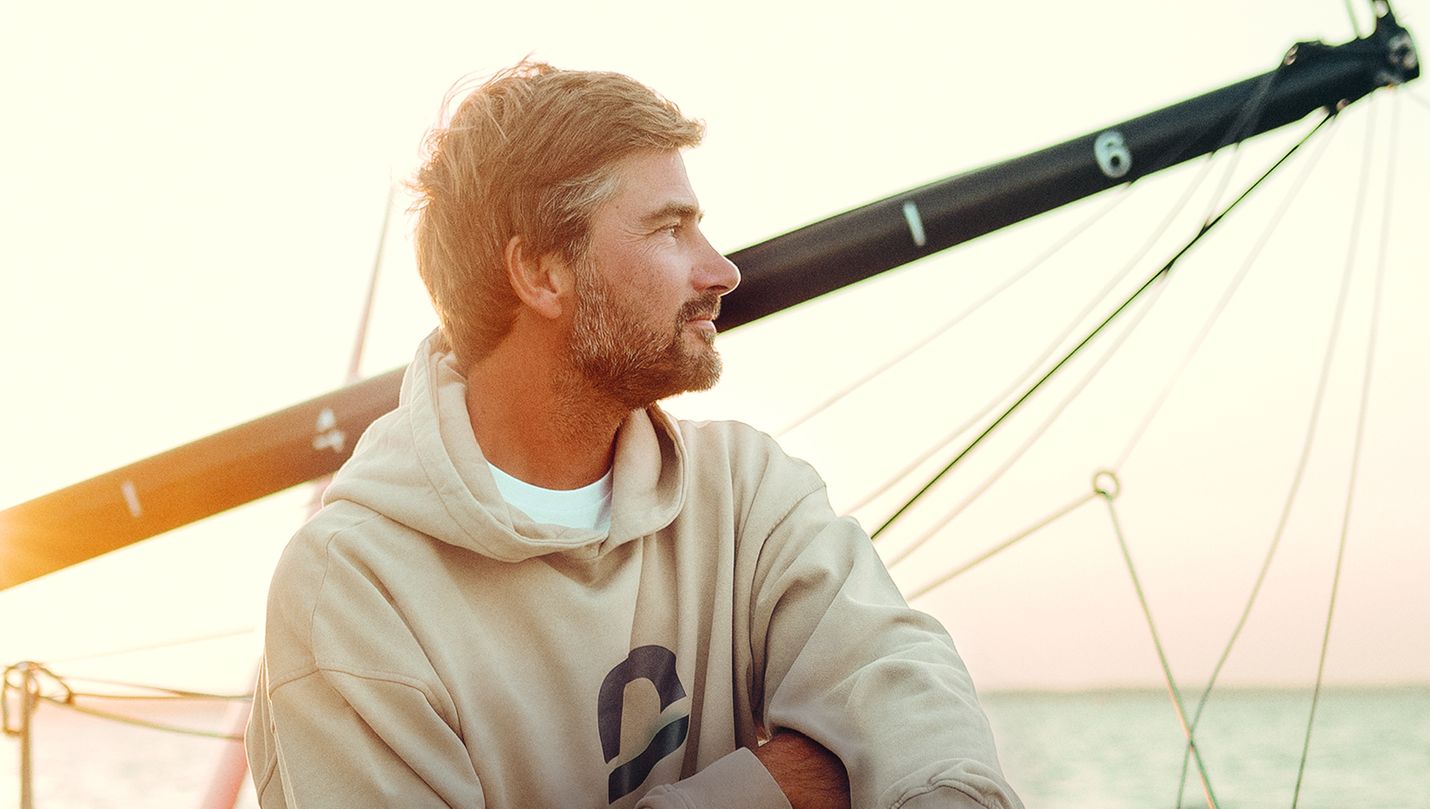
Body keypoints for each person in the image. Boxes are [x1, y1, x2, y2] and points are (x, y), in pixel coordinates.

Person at [244, 61, 1023, 809]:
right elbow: (852, 756)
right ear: (543, 274)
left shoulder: (746, 489)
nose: (721, 271)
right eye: (669, 229)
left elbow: (908, 697)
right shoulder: (351, 588)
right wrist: (775, 787)